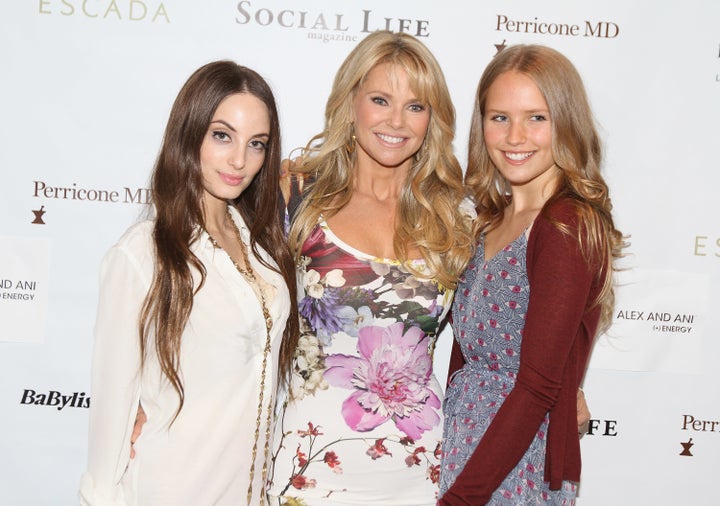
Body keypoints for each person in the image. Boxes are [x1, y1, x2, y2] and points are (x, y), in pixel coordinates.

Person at [266, 31, 475, 505]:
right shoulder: (295, 197)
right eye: (380, 99)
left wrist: (569, 387)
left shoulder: (458, 218)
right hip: (308, 467)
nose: (396, 121)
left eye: (416, 106)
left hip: (419, 471)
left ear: (433, 119)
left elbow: (509, 320)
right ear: (351, 101)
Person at [78, 60, 299, 505]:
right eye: (222, 135)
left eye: (256, 144)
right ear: (189, 132)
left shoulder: (263, 247)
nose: (240, 159)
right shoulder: (143, 255)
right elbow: (111, 410)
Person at [438, 44, 625, 505]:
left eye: (536, 117)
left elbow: (538, 385)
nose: (515, 135)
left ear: (565, 122)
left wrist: (461, 500)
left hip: (514, 463)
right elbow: (464, 357)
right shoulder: (490, 220)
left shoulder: (566, 225)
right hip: (467, 450)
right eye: (499, 117)